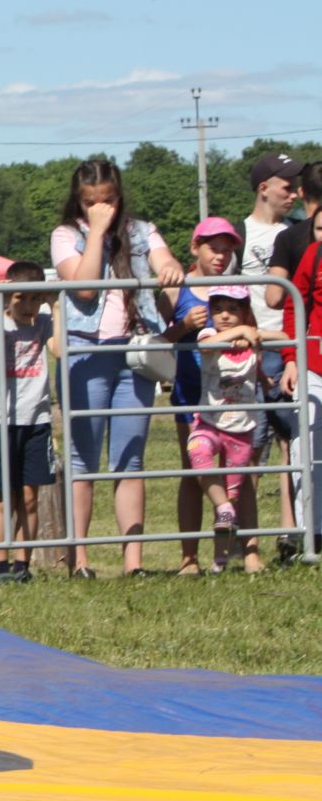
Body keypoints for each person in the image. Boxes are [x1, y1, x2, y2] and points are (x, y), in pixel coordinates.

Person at [49, 158, 184, 577]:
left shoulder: (143, 231)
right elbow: (84, 284)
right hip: (86, 353)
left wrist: (169, 267)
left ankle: (133, 563)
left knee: (130, 459)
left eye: (107, 200)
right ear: (79, 201)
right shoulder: (65, 235)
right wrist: (98, 235)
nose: (99, 207)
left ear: (119, 196)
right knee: (82, 461)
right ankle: (81, 559)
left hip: (136, 354)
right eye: (90, 202)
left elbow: (165, 262)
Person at [162, 218, 247, 571]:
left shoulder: (239, 287)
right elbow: (160, 342)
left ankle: (226, 555)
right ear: (195, 247)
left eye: (228, 250)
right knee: (193, 472)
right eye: (214, 248)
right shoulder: (178, 288)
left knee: (235, 474)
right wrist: (184, 326)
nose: (222, 256)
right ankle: (188, 557)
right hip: (190, 392)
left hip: (231, 395)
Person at [0, 262, 61, 583]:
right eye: (20, 298)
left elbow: (60, 350)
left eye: (34, 299)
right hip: (0, 420)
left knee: (29, 496)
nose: (27, 307)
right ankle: (0, 567)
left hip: (36, 419)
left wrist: (55, 304)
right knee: (3, 497)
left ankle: (22, 565)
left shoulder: (44, 321)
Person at [238, 151, 302, 543]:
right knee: (249, 443)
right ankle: (247, 541)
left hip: (291, 347)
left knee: (290, 442)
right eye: (287, 186)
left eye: (298, 186)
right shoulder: (237, 234)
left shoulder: (300, 231)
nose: (294, 193)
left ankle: (289, 536)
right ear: (264, 189)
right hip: (248, 349)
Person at [182, 286, 266, 574]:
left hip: (241, 428)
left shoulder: (251, 339)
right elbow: (205, 346)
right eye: (218, 311)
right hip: (210, 422)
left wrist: (253, 334)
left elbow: (279, 338)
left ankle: (222, 559)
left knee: (235, 492)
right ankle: (223, 507)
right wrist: (242, 331)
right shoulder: (209, 335)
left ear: (244, 311)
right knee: (198, 452)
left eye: (232, 310)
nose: (225, 316)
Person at [267, 161, 321, 560]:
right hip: (313, 364)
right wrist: (291, 358)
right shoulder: (313, 254)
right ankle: (310, 535)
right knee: (307, 448)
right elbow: (292, 306)